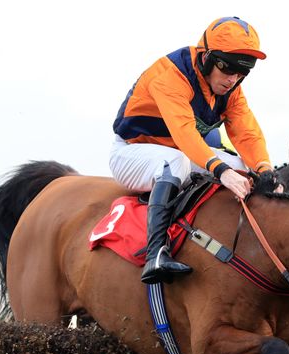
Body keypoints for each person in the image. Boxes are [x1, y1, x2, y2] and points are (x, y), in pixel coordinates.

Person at [109, 17, 279, 285]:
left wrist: (265, 170)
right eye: (227, 69)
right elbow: (184, 132)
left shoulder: (231, 89)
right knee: (177, 162)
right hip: (133, 152)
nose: (232, 80)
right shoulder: (171, 76)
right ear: (206, 58)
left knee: (245, 169)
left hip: (181, 152)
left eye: (241, 72)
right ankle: (156, 254)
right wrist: (221, 171)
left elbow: (246, 133)